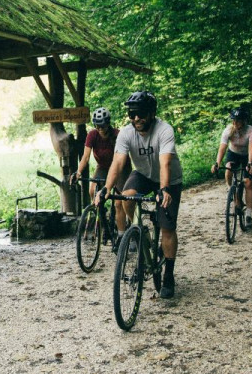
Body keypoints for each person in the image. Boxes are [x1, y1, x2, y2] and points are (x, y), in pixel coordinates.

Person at [95, 91, 183, 299]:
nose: (136, 119)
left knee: (168, 228)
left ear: (152, 113)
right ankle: (140, 232)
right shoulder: (126, 133)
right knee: (126, 195)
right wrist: (106, 188)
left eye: (141, 114)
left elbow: (165, 163)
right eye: (132, 115)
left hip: (169, 179)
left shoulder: (164, 130)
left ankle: (168, 274)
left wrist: (163, 190)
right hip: (142, 174)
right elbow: (117, 162)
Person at [70, 107, 130, 234]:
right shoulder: (92, 135)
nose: (100, 129)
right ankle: (102, 215)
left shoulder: (117, 135)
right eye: (97, 126)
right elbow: (85, 157)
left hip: (120, 167)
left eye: (102, 125)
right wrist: (78, 172)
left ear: (108, 123)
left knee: (119, 202)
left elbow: (120, 160)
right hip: (102, 166)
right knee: (92, 190)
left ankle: (121, 234)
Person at [211, 107, 252, 229]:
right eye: (233, 120)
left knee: (248, 183)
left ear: (244, 121)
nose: (234, 123)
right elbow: (222, 148)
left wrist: (249, 164)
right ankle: (235, 196)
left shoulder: (251, 131)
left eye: (237, 120)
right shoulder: (228, 130)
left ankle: (248, 214)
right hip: (234, 154)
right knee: (228, 171)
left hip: (248, 155)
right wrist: (217, 163)